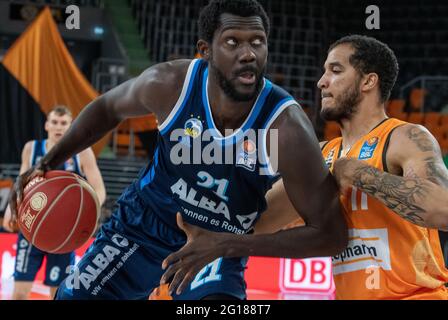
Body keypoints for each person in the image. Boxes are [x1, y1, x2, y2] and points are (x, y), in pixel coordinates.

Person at [9, 0, 347, 300]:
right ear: (206, 49)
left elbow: (331, 235)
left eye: (258, 43)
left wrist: (230, 245)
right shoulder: (169, 84)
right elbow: (106, 108)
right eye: (233, 42)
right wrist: (47, 162)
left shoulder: (286, 127)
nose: (249, 54)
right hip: (141, 226)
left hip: (217, 243)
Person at [255, 35, 448, 299]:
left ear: (368, 81)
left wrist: (357, 173)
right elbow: (259, 221)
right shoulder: (321, 155)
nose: (321, 82)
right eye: (324, 72)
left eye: (335, 70)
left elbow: (444, 210)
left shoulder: (404, 137)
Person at [3, 106, 106, 300]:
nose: (59, 127)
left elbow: (99, 190)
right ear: (47, 125)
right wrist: (11, 209)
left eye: (64, 123)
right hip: (32, 224)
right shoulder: (31, 148)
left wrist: (90, 213)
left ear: (71, 127)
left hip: (64, 233)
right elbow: (21, 182)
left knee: (58, 294)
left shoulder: (83, 152)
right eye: (55, 122)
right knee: (19, 294)